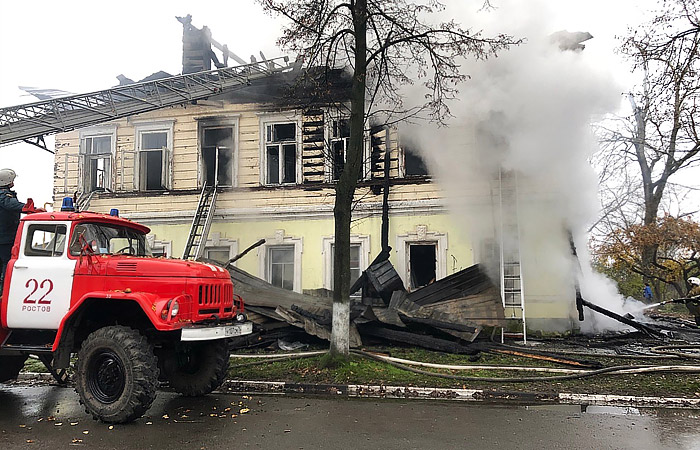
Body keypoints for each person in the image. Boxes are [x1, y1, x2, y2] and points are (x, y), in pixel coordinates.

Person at [0, 169, 25, 288]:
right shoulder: (4, 195)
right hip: (5, 238)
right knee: (7, 263)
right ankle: (4, 289)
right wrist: (28, 208)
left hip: (5, 236)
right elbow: (10, 204)